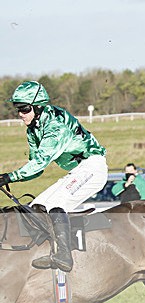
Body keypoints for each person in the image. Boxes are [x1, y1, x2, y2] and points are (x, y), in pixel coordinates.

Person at [0, 81, 108, 271]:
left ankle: (64, 256)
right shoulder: (33, 129)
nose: (20, 114)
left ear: (38, 106)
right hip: (78, 171)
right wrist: (8, 178)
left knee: (56, 205)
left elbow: (41, 162)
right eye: (18, 109)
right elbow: (37, 168)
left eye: (24, 109)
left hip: (92, 167)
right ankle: (46, 252)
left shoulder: (55, 124)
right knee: (36, 208)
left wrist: (10, 177)